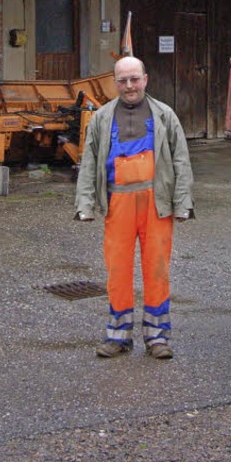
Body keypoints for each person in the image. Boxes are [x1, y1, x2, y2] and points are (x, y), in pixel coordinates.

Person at [75, 55, 194, 359]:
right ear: (115, 83)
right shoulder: (102, 118)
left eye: (134, 79)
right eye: (123, 81)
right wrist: (85, 204)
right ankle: (118, 336)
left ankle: (157, 338)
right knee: (118, 271)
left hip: (157, 204)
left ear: (145, 79)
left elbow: (181, 159)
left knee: (156, 270)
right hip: (118, 204)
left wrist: (183, 203)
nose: (129, 86)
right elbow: (89, 164)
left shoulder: (165, 115)